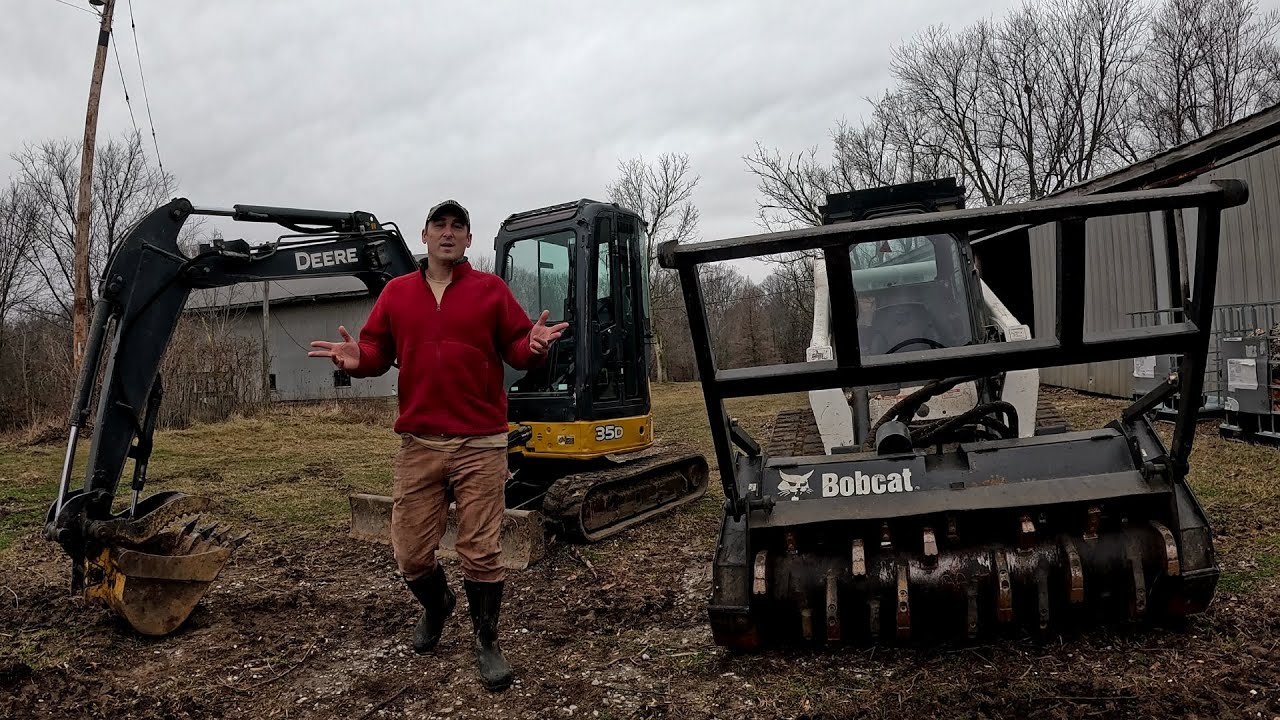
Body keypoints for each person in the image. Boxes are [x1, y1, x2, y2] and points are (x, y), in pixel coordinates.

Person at [308, 199, 566, 692]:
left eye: (458, 226)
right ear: (423, 236)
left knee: (480, 551)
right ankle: (437, 605)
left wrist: (532, 348)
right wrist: (355, 359)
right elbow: (378, 353)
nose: (448, 233)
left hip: (481, 444)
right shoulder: (397, 293)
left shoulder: (491, 290)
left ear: (469, 240)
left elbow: (515, 344)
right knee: (409, 553)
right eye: (439, 225)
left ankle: (487, 641)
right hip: (420, 444)